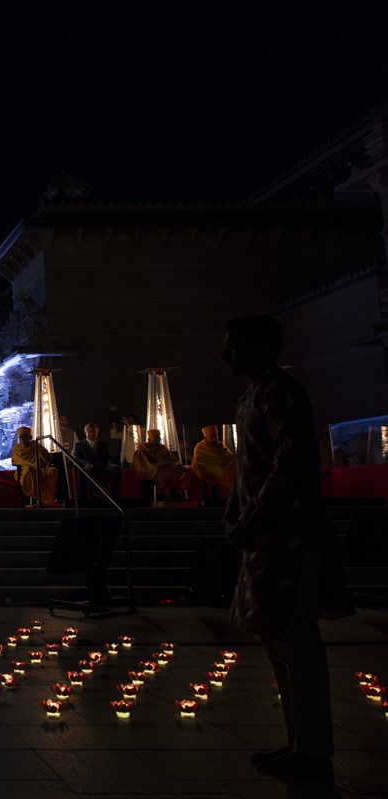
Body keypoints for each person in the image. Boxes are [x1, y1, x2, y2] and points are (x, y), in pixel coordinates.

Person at [223, 314, 339, 782]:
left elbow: (289, 466)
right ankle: (298, 742)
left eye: (232, 346)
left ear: (256, 348)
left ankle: (313, 749)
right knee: (277, 640)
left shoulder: (283, 395)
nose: (225, 355)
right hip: (263, 536)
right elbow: (249, 466)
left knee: (297, 642)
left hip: (289, 536)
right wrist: (235, 510)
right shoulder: (252, 396)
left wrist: (250, 518)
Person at [132, 428, 190, 499]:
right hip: (152, 468)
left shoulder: (163, 447)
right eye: (156, 438)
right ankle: (168, 494)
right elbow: (144, 463)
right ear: (149, 439)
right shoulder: (143, 448)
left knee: (181, 470)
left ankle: (177, 493)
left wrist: (174, 464)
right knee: (161, 471)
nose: (158, 439)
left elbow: (172, 459)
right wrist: (159, 464)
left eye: (159, 438)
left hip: (167, 466)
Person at [73, 422, 121, 500]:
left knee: (117, 470)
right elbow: (76, 457)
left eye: (94, 432)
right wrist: (85, 463)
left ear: (97, 432)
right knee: (90, 470)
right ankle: (94, 499)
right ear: (86, 433)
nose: (92, 434)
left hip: (102, 467)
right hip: (89, 468)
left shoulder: (103, 444)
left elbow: (108, 457)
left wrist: (111, 464)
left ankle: (115, 498)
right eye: (90, 432)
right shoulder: (79, 445)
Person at [11, 425, 58, 505]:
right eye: (21, 437)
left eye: (25, 437)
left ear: (30, 437)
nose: (22, 439)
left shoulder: (36, 445)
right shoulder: (17, 449)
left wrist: (42, 464)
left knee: (53, 471)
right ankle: (42, 497)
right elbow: (18, 461)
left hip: (42, 468)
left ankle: (52, 496)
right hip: (25, 470)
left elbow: (48, 457)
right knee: (29, 470)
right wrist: (33, 465)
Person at [191, 424, 236, 494]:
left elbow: (229, 456)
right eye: (211, 437)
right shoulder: (200, 447)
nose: (215, 439)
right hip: (209, 469)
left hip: (224, 467)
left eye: (216, 436)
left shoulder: (220, 445)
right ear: (205, 437)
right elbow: (199, 463)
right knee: (224, 474)